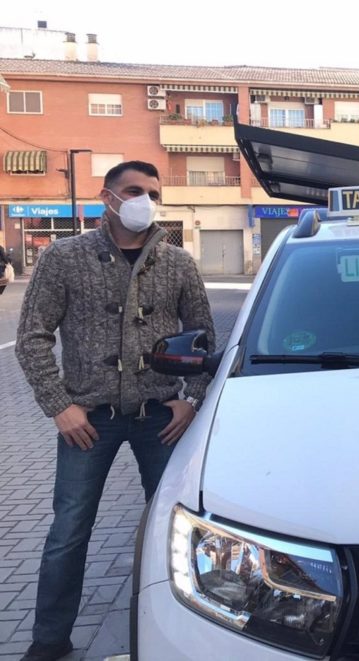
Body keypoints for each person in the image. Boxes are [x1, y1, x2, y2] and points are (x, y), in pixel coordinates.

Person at [15, 161, 215, 661]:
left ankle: (185, 633)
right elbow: (31, 339)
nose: (144, 199)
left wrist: (190, 400)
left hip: (160, 419)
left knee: (176, 528)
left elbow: (205, 340)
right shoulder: (64, 257)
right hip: (88, 419)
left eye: (152, 191)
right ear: (107, 197)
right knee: (68, 532)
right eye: (133, 190)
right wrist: (59, 406)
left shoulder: (178, 263)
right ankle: (49, 640)